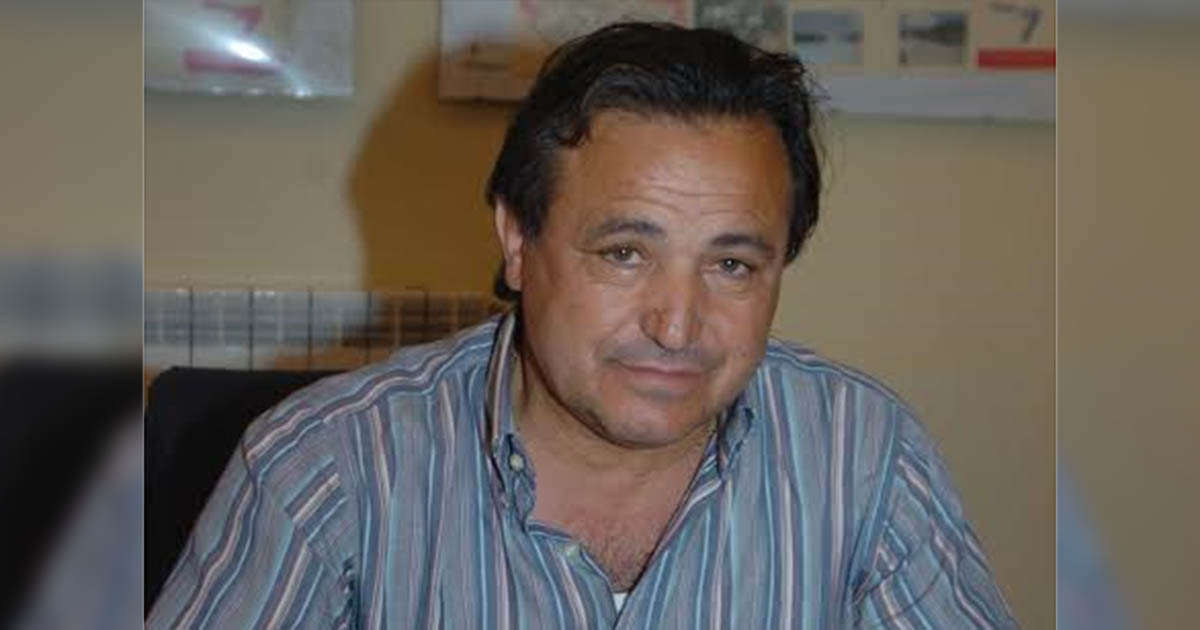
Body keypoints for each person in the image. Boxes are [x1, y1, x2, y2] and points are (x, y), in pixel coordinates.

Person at [148, 22, 1016, 629]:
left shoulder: (863, 457)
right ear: (517, 240)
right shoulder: (323, 472)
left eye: (732, 266)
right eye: (625, 253)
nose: (677, 325)